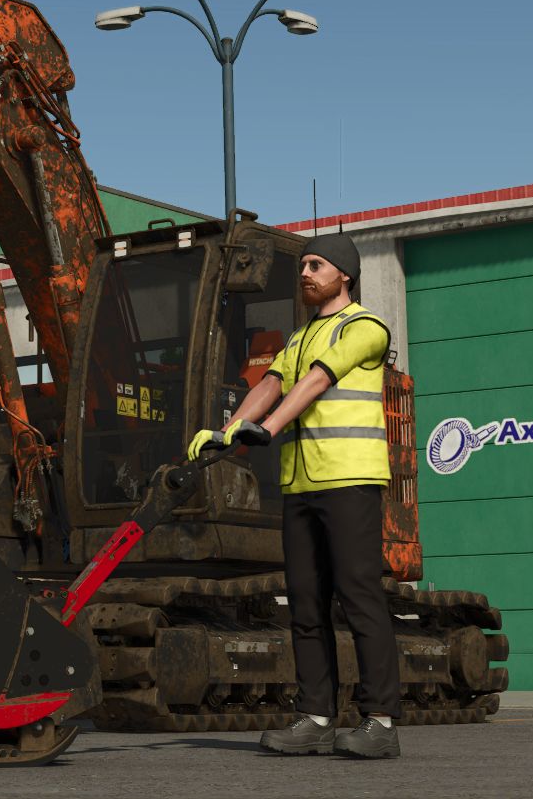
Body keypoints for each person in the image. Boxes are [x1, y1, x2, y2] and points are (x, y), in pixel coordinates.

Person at [189, 234, 401, 759]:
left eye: (316, 265)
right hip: (302, 485)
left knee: (359, 597)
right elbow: (271, 384)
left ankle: (380, 722)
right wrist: (226, 432)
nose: (305, 272)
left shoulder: (365, 327)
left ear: (344, 275)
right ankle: (316, 718)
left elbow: (317, 382)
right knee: (305, 604)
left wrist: (269, 428)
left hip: (349, 480)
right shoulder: (301, 336)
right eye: (303, 264)